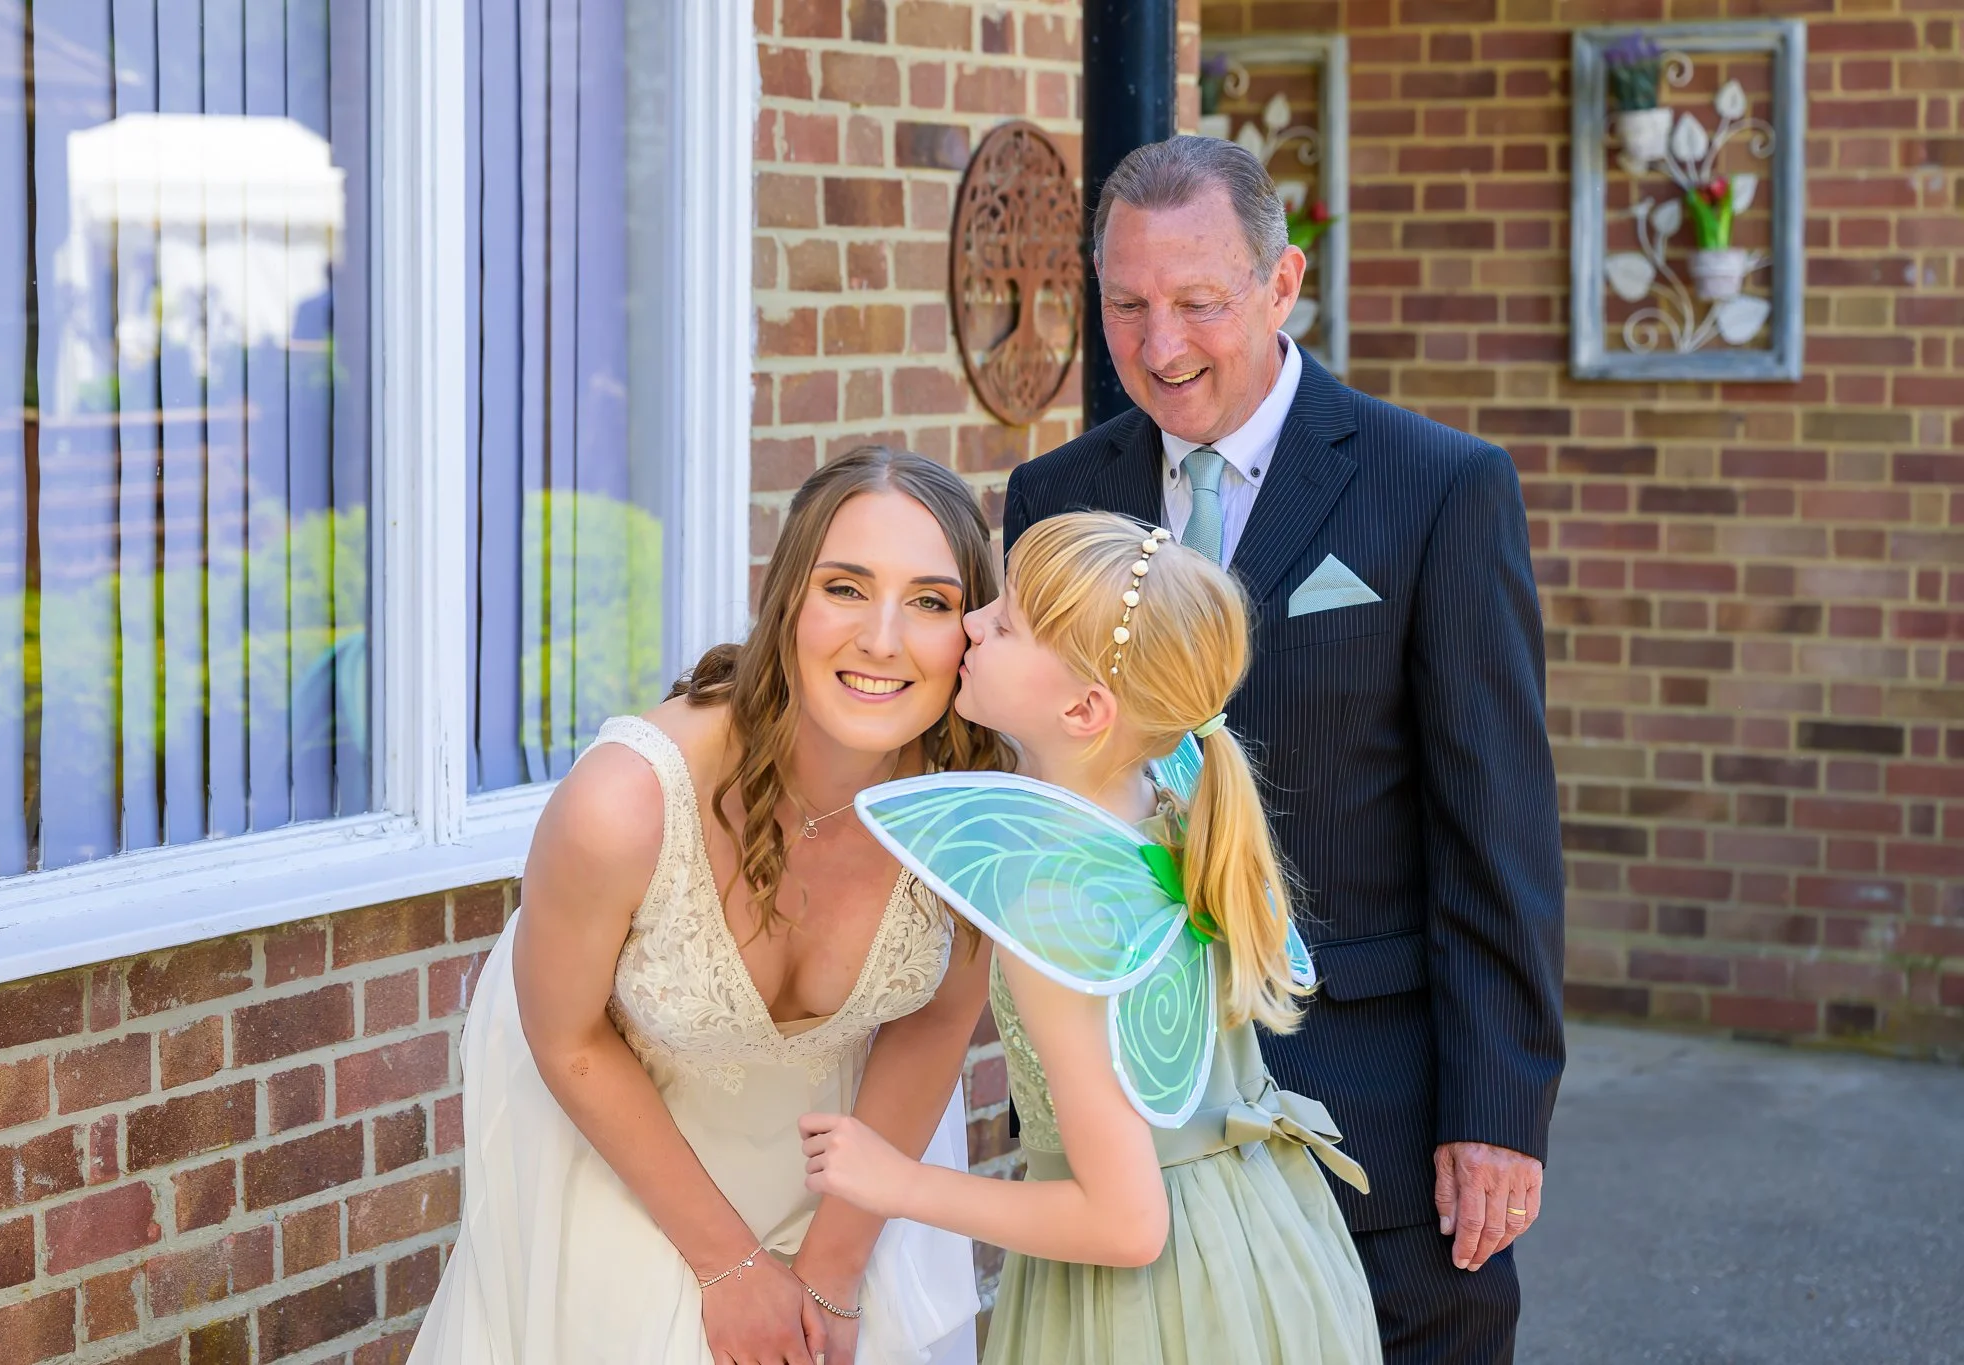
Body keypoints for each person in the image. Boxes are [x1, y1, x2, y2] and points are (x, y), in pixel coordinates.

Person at [1001, 137, 1566, 1364]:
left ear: (1279, 282)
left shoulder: (1436, 487)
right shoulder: (1051, 497)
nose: (1160, 349)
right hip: (1135, 1123)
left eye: (1199, 304)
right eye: (1125, 306)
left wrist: (1496, 1112)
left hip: (1376, 1110)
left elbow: (1495, 832)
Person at [408, 448, 1010, 1365]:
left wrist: (834, 1271)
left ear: (969, 629)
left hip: (845, 1184)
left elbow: (936, 1026)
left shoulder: (972, 808)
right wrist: (729, 1269)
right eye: (846, 587)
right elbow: (564, 1036)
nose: (883, 639)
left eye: (929, 602)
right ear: (787, 604)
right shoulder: (624, 803)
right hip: (628, 1156)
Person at [801, 511, 1383, 1365]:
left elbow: (1124, 1222)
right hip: (1263, 1244)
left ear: (1084, 707)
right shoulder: (1173, 797)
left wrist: (900, 1182)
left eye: (1003, 625)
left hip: (1157, 1307)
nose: (969, 621)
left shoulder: (1057, 900)